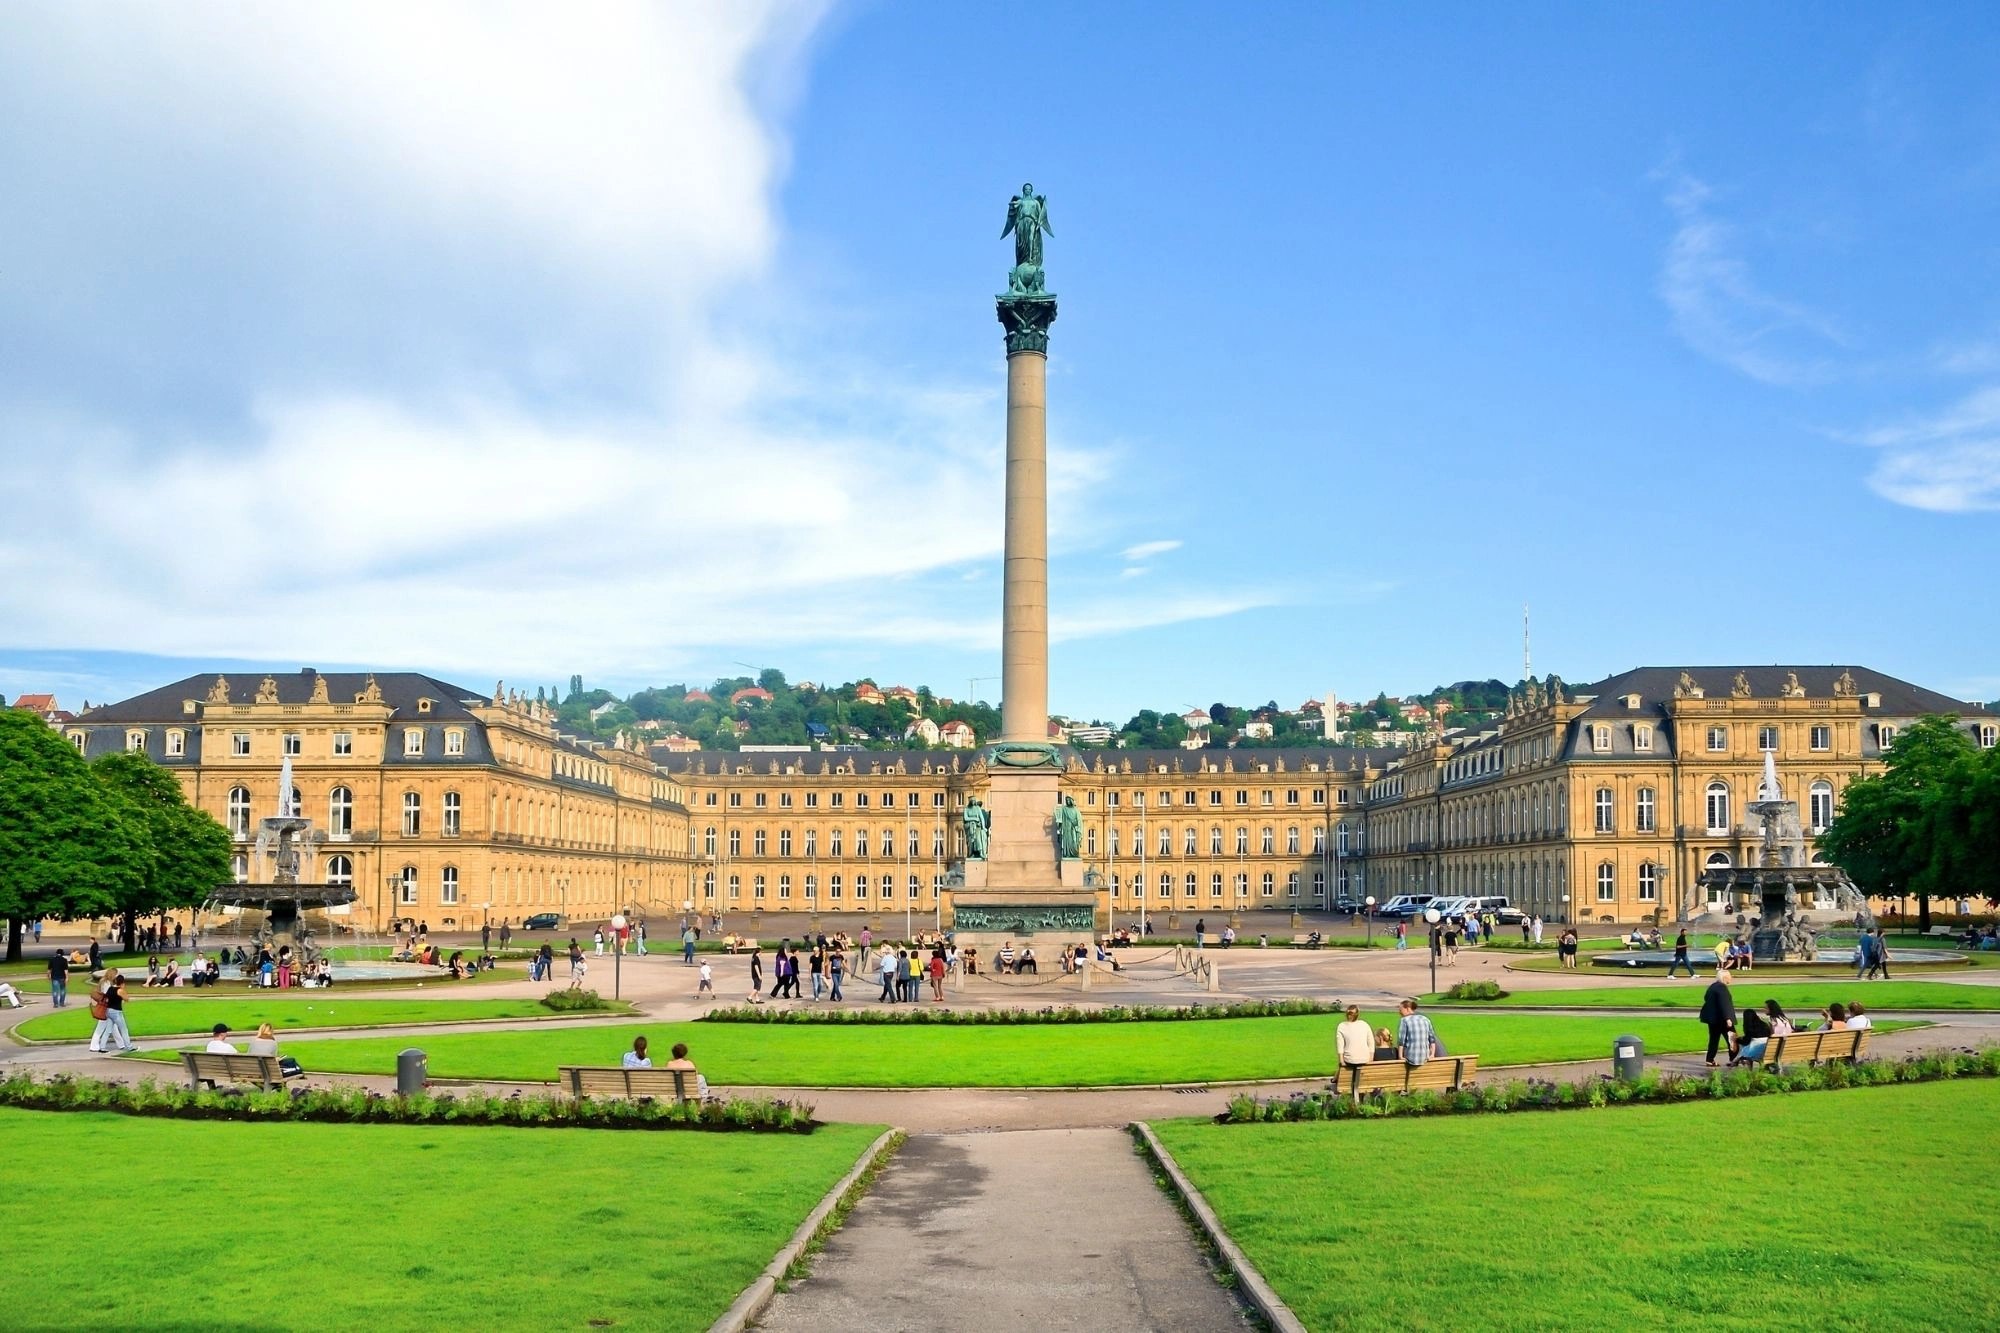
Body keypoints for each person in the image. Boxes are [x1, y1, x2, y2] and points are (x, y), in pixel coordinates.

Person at [1699, 967, 1737, 1065]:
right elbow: (1724, 1004)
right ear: (1724, 978)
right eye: (1729, 977)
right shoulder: (1722, 988)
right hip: (1722, 1019)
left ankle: (1710, 1059)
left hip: (1713, 1019)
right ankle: (1733, 1059)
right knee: (1732, 1040)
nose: (1731, 979)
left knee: (1714, 1039)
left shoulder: (1712, 987)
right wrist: (1728, 1018)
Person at [1336, 1004, 1375, 1096]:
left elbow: (1340, 1046)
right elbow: (1371, 1043)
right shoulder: (1364, 1024)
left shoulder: (1342, 1026)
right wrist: (1371, 1058)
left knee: (1349, 1075)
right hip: (1365, 1059)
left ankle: (1353, 1096)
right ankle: (1359, 1097)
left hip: (1350, 1060)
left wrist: (1342, 1061)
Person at [93, 970, 134, 1054]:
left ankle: (102, 1047)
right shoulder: (120, 990)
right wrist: (123, 990)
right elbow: (127, 999)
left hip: (108, 1011)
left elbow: (107, 997)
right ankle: (129, 1047)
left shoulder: (110, 988)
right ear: (122, 983)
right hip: (116, 1012)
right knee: (124, 1029)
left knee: (108, 1030)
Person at [1395, 999, 1437, 1067]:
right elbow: (1432, 1039)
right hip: (1425, 1058)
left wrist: (1400, 1056)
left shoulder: (1404, 1020)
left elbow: (1401, 1041)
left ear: (1408, 1009)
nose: (1399, 1012)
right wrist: (1432, 1054)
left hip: (1410, 1059)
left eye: (1400, 1010)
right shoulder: (1425, 1019)